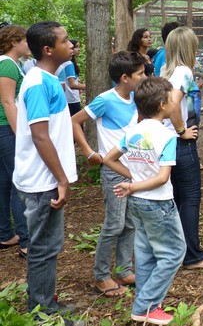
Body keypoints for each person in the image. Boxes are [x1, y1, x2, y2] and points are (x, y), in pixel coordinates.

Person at [103, 77, 186, 325]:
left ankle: (149, 302)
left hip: (138, 203)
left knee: (146, 252)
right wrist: (134, 182)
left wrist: (133, 178)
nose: (174, 103)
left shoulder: (134, 132)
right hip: (158, 204)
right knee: (174, 253)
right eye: (172, 99)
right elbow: (162, 178)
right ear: (162, 105)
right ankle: (144, 306)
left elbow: (109, 158)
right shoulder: (167, 136)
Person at [13, 21, 78, 319]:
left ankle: (45, 303)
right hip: (43, 182)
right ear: (48, 49)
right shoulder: (38, 82)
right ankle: (42, 314)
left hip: (47, 179)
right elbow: (40, 134)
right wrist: (61, 179)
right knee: (41, 249)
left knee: (49, 246)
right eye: (65, 41)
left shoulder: (49, 79)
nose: (72, 45)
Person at [72, 51, 146, 297]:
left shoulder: (136, 98)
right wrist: (90, 152)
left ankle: (124, 270)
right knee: (114, 223)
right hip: (114, 173)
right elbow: (75, 121)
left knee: (131, 223)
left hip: (134, 171)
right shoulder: (105, 100)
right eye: (140, 74)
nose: (143, 77)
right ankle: (101, 276)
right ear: (125, 77)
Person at [162, 26, 203, 269]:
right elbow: (174, 103)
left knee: (177, 197)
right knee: (190, 197)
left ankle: (178, 250)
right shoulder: (183, 71)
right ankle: (193, 256)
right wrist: (182, 131)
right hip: (180, 143)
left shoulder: (167, 71)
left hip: (167, 143)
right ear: (188, 48)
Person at [0, 24, 30, 258]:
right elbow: (8, 102)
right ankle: (26, 241)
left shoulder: (10, 64)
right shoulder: (8, 64)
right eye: (25, 41)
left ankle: (6, 233)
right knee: (18, 184)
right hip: (7, 131)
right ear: (14, 42)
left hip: (4, 130)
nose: (28, 45)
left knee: (5, 184)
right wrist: (19, 132)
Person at [57, 39, 86, 117]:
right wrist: (88, 86)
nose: (79, 49)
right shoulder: (69, 64)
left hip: (69, 99)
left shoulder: (66, 63)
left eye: (79, 47)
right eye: (76, 47)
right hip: (72, 100)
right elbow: (72, 85)